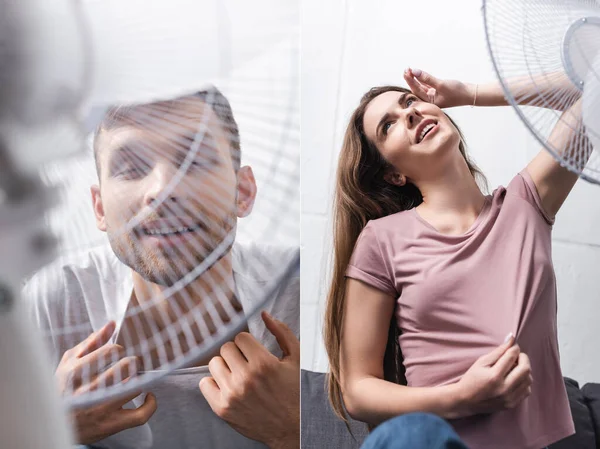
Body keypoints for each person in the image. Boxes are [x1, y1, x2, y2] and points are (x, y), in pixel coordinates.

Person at [23, 87, 300, 449]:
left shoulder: (303, 289)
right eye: (131, 167)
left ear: (243, 192)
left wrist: (293, 429)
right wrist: (46, 430)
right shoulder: (53, 301)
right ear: (100, 208)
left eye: (195, 160)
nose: (164, 189)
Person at [323, 68, 585, 449]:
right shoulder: (381, 240)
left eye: (410, 101)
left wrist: (471, 92)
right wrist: (463, 397)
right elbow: (357, 390)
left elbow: (592, 78)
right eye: (388, 126)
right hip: (427, 441)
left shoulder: (527, 205)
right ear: (394, 175)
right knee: (416, 433)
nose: (410, 114)